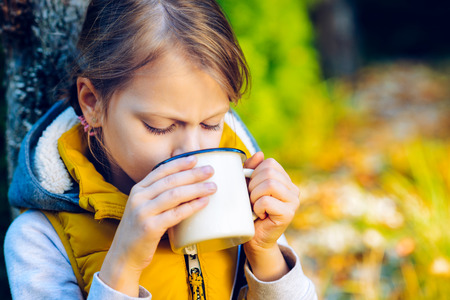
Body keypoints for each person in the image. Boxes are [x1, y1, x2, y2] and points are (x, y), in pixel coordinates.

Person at [4, 0, 317, 299]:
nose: (192, 154)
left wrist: (266, 254)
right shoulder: (40, 238)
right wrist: (123, 266)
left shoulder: (241, 200)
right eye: (159, 126)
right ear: (92, 103)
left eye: (211, 124)